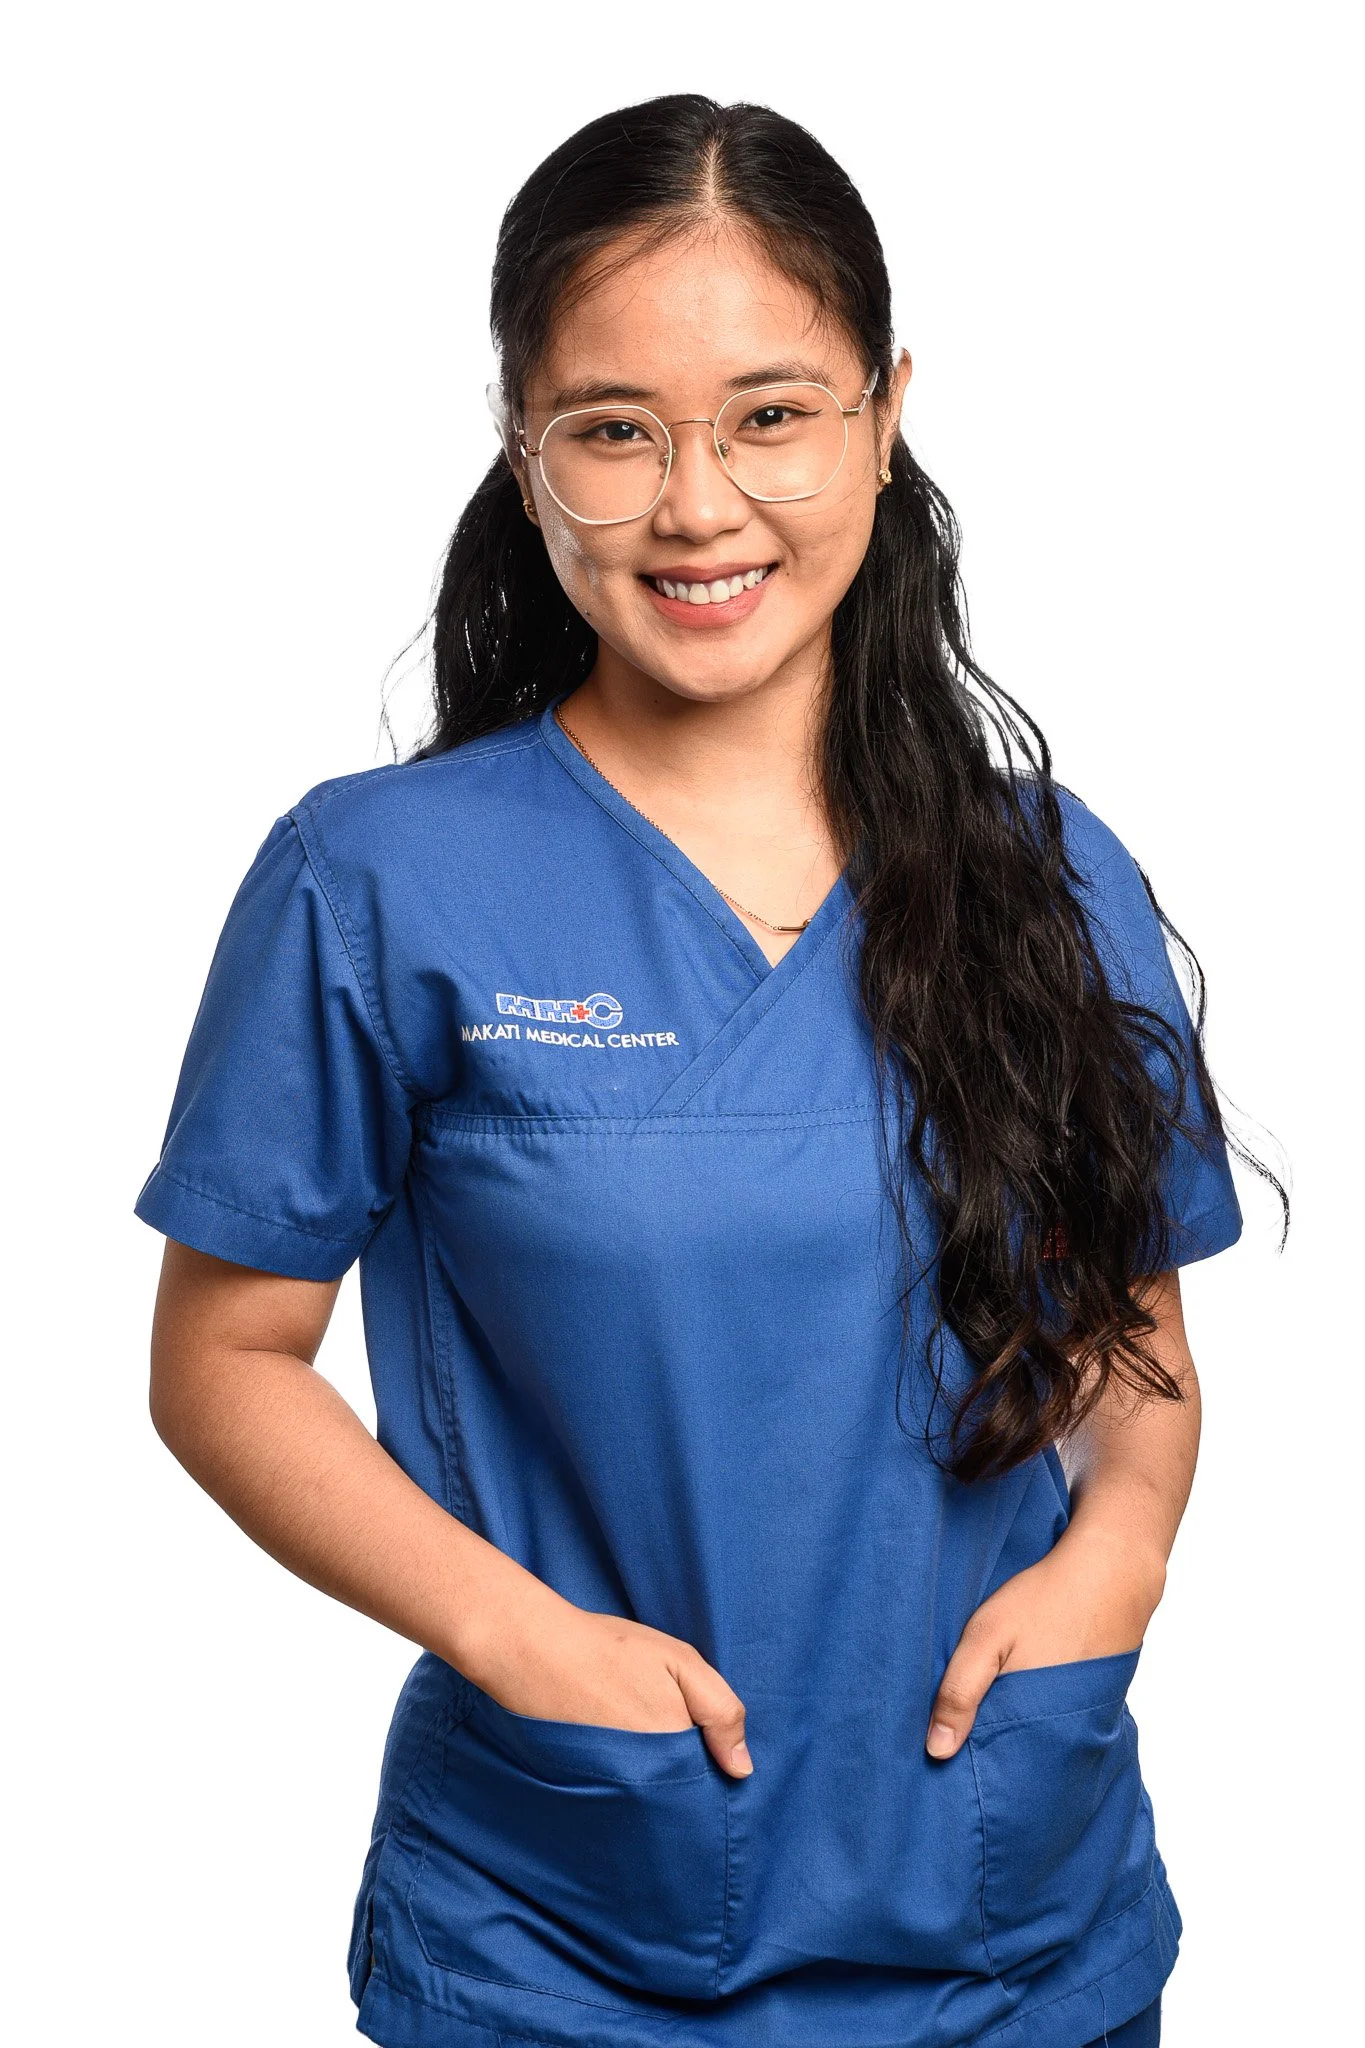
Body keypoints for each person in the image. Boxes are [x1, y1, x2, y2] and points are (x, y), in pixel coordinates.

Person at [135, 95, 1279, 2048]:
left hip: (1013, 1933)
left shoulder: (1040, 867)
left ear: (882, 409)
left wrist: (1122, 1547)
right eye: (613, 427)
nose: (696, 504)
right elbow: (223, 1359)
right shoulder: (379, 880)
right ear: (524, 447)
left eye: (770, 412)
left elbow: (1127, 1332)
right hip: (567, 1935)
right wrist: (510, 1630)